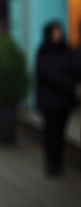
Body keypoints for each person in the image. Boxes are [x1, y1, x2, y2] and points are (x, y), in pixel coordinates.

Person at [36, 21, 76, 177]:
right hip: (49, 101)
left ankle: (59, 162)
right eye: (55, 31)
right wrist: (61, 82)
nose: (58, 34)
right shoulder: (43, 51)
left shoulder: (66, 50)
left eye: (59, 31)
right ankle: (51, 163)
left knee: (60, 133)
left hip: (64, 101)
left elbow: (73, 69)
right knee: (50, 133)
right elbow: (43, 73)